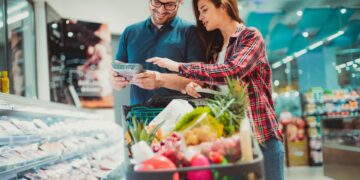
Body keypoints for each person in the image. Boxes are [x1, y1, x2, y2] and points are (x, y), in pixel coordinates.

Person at [147, 0, 284, 179]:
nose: (201, 17)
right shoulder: (216, 50)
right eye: (199, 13)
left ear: (223, 5)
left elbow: (232, 71)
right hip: (232, 141)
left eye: (204, 10)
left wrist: (179, 67)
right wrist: (197, 87)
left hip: (261, 138)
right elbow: (217, 86)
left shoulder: (250, 37)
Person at [111, 0, 205, 105]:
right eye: (156, 2)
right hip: (138, 115)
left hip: (178, 116)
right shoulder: (130, 32)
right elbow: (115, 73)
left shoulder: (191, 32)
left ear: (180, 2)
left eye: (169, 5)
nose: (161, 10)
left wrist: (160, 80)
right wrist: (115, 82)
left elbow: (199, 80)